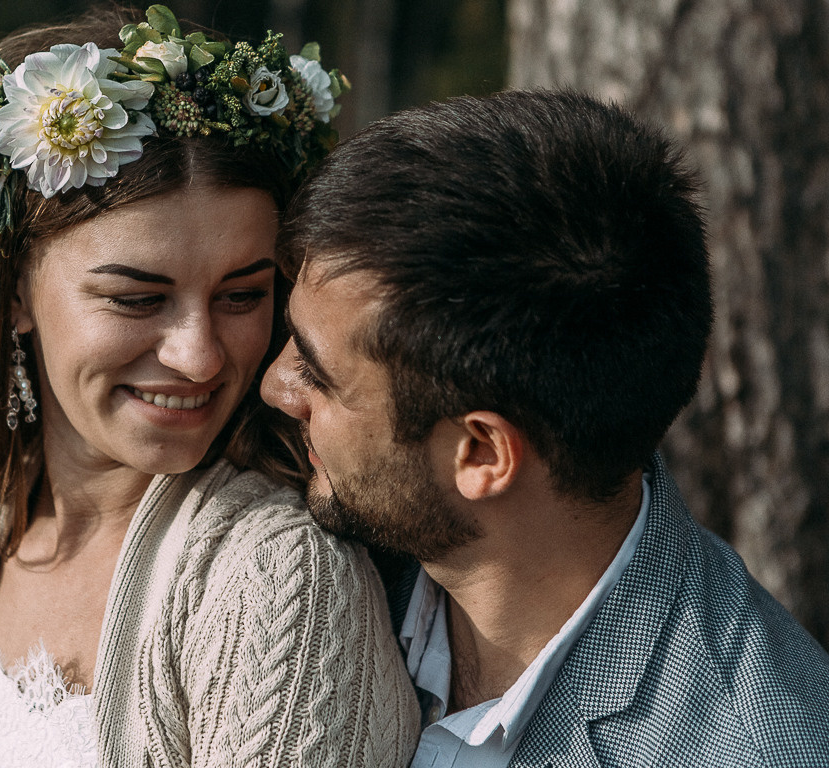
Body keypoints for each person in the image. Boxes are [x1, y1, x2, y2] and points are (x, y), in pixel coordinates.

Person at [0, 4, 420, 768]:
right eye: (137, 298)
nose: (199, 356)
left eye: (242, 295)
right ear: (18, 294)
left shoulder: (280, 578)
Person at [262, 89, 829, 766]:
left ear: (480, 454)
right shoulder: (315, 556)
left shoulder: (752, 745)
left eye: (318, 375)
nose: (273, 386)